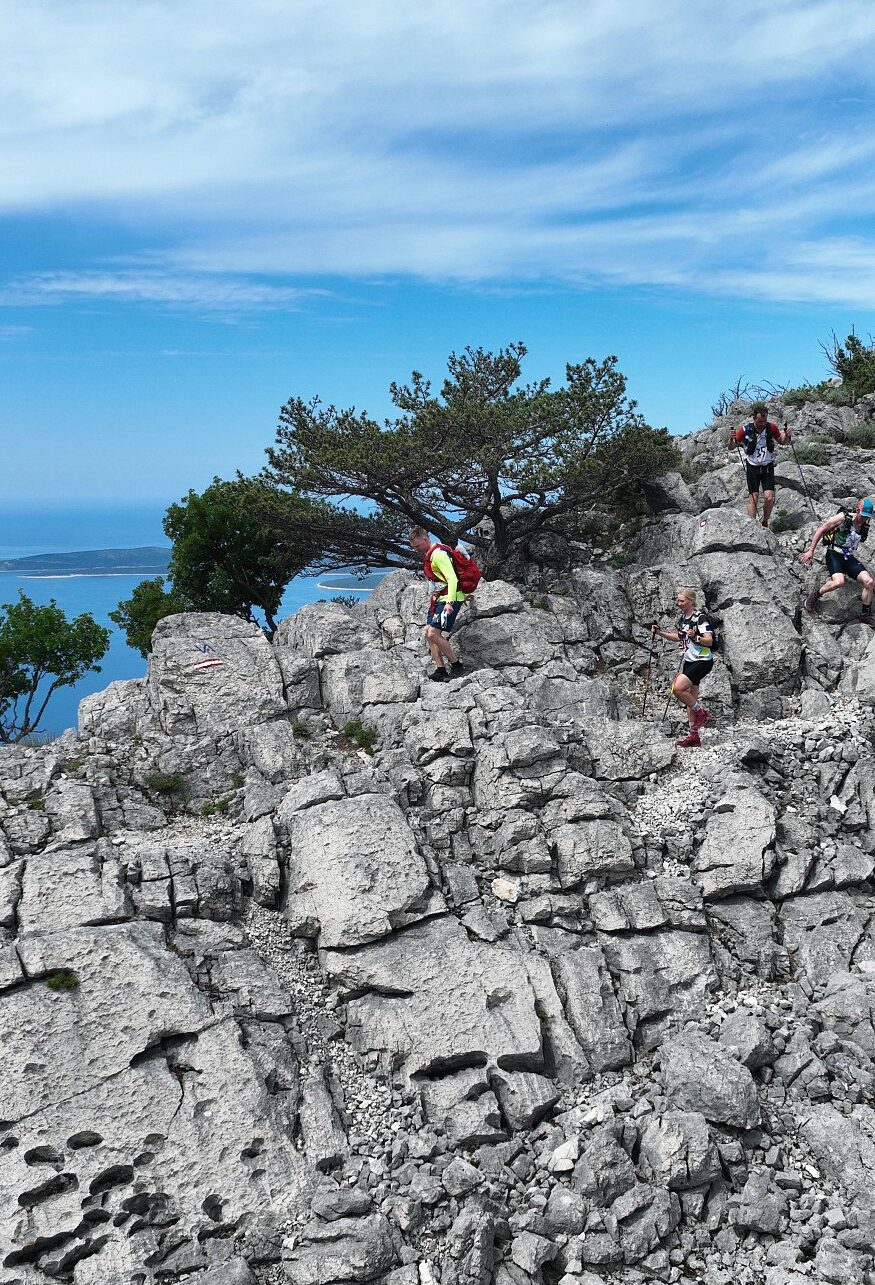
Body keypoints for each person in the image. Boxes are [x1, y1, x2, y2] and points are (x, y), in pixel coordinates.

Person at [652, 588, 716, 748]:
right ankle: (694, 736)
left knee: (677, 688)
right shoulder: (683, 619)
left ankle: (702, 714)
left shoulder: (701, 618)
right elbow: (679, 637)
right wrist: (660, 633)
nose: (678, 603)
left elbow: (709, 641)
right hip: (689, 660)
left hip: (702, 660)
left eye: (681, 600)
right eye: (678, 600)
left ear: (691, 601)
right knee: (690, 698)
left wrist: (696, 636)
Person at [409, 527, 470, 681]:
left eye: (417, 546)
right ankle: (440, 669)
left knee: (433, 633)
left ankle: (457, 666)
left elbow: (452, 579)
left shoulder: (438, 555)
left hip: (450, 598)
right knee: (429, 631)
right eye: (413, 547)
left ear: (425, 540)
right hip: (439, 598)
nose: (416, 550)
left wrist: (450, 602)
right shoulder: (431, 554)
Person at [801, 499, 875, 625]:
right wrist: (811, 551)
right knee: (839, 582)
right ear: (858, 511)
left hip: (848, 556)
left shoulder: (864, 524)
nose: (864, 520)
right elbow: (822, 529)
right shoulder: (842, 518)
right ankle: (816, 594)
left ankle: (865, 614)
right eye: (862, 516)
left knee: (869, 582)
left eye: (867, 518)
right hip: (834, 554)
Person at [727, 402, 792, 528]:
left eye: (764, 421)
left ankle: (765, 521)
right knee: (754, 497)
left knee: (769, 497)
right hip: (752, 466)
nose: (762, 424)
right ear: (754, 419)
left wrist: (787, 436)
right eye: (760, 421)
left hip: (767, 466)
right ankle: (752, 527)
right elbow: (731, 447)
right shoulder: (745, 430)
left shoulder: (771, 428)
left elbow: (782, 441)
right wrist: (731, 439)